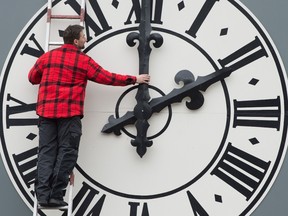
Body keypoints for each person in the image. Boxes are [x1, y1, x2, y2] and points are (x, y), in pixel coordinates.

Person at [28, 24, 150, 207]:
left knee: (46, 153)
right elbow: (107, 77)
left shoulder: (47, 57)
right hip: (69, 115)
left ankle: (42, 195)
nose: (86, 39)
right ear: (76, 40)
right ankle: (55, 195)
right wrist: (134, 79)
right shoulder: (83, 61)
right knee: (66, 153)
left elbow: (32, 78)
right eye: (83, 36)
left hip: (46, 114)